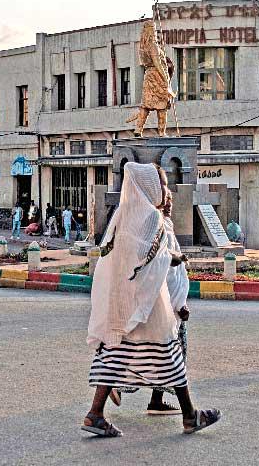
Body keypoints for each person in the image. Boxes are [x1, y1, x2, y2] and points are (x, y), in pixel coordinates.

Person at [83, 163, 220, 437]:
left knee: (116, 351)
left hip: (124, 298)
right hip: (148, 300)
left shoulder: (124, 214)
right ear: (149, 187)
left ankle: (95, 413)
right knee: (169, 353)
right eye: (162, 185)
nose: (166, 192)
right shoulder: (150, 218)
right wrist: (174, 258)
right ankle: (190, 416)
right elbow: (148, 257)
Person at [108, 188, 191, 415]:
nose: (169, 204)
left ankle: (157, 400)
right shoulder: (153, 225)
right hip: (160, 303)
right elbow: (154, 261)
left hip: (171, 303)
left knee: (163, 354)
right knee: (163, 353)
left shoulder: (165, 225)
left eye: (171, 199)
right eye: (165, 199)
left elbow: (173, 273)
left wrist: (181, 300)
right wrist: (174, 259)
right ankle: (113, 387)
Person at [125, 21, 175, 138]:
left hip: (148, 75)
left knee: (146, 105)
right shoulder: (153, 46)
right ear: (151, 31)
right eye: (154, 30)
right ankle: (162, 132)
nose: (155, 32)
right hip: (157, 76)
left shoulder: (143, 47)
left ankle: (138, 129)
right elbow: (158, 64)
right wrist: (165, 78)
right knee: (162, 105)